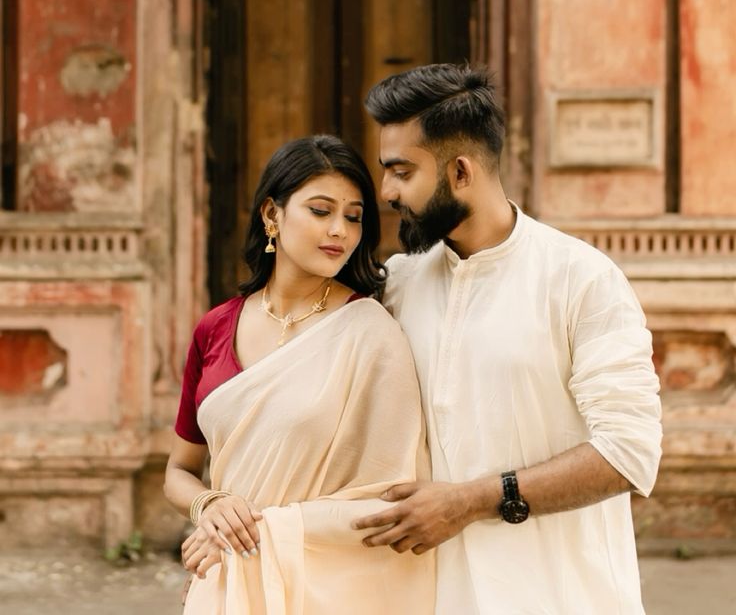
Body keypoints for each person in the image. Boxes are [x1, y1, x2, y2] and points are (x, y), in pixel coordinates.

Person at [353, 63, 662, 614]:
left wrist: (470, 501)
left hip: (564, 596)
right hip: (433, 597)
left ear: (462, 172)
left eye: (401, 171)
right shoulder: (399, 283)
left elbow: (628, 454)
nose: (386, 191)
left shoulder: (581, 279)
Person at [165, 135, 434, 614]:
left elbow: (390, 496)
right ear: (272, 214)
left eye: (353, 217)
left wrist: (255, 532)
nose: (340, 232)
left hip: (326, 588)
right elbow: (179, 470)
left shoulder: (370, 332)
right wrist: (209, 507)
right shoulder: (216, 327)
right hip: (226, 580)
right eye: (320, 210)